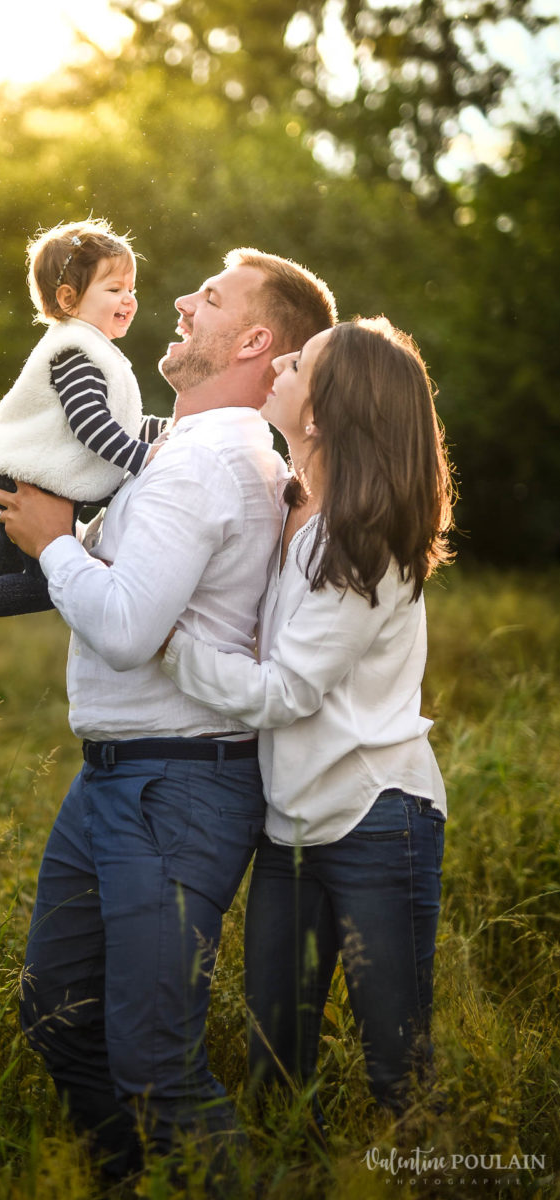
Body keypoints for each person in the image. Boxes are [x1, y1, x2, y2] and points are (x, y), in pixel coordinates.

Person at [0, 249, 337, 1179]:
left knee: (154, 1063)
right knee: (59, 1019)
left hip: (173, 790)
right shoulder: (171, 452)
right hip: (114, 779)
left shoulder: (204, 466)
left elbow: (127, 630)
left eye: (208, 298)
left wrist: (53, 543)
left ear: (253, 341)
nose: (178, 301)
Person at [161, 317, 456, 1123]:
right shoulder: (283, 505)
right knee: (273, 1067)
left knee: (396, 1067)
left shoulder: (364, 546)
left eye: (297, 363)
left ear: (320, 415)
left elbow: (283, 691)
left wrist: (162, 643)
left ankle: (434, 1172)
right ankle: (297, 1172)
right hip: (287, 825)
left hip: (373, 817)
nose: (279, 363)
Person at [0, 217, 167, 670]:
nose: (129, 298)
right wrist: (143, 458)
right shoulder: (76, 353)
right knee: (45, 587)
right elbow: (91, 426)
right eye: (115, 289)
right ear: (68, 299)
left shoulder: (87, 347)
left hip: (23, 477)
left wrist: (173, 429)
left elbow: (123, 422)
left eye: (131, 288)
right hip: (33, 484)